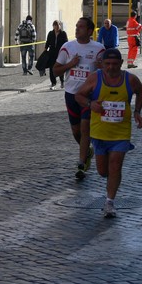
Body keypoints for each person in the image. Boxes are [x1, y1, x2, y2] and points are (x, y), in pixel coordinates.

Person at [75, 48, 142, 218]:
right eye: (107, 64)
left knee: (115, 165)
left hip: (121, 132)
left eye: (115, 64)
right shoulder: (95, 78)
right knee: (102, 171)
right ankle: (109, 183)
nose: (111, 67)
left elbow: (141, 91)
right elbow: (79, 95)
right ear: (102, 64)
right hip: (99, 132)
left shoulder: (130, 79)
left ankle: (109, 202)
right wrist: (91, 104)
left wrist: (137, 111)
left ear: (121, 64)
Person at [53, 17, 105, 179]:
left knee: (85, 129)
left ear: (90, 31)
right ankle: (87, 151)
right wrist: (70, 64)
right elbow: (55, 71)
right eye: (76, 26)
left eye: (81, 27)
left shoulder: (99, 49)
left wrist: (101, 67)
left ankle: (81, 164)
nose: (77, 29)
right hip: (71, 94)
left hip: (89, 94)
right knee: (76, 131)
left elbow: (110, 71)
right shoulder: (67, 47)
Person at [44, 20, 68, 89]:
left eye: (57, 25)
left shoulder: (63, 33)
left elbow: (66, 43)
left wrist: (65, 51)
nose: (56, 27)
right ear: (53, 26)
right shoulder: (50, 33)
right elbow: (48, 42)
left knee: (60, 67)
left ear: (60, 26)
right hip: (52, 53)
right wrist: (45, 48)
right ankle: (53, 83)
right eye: (55, 25)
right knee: (51, 68)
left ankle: (62, 81)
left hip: (60, 53)